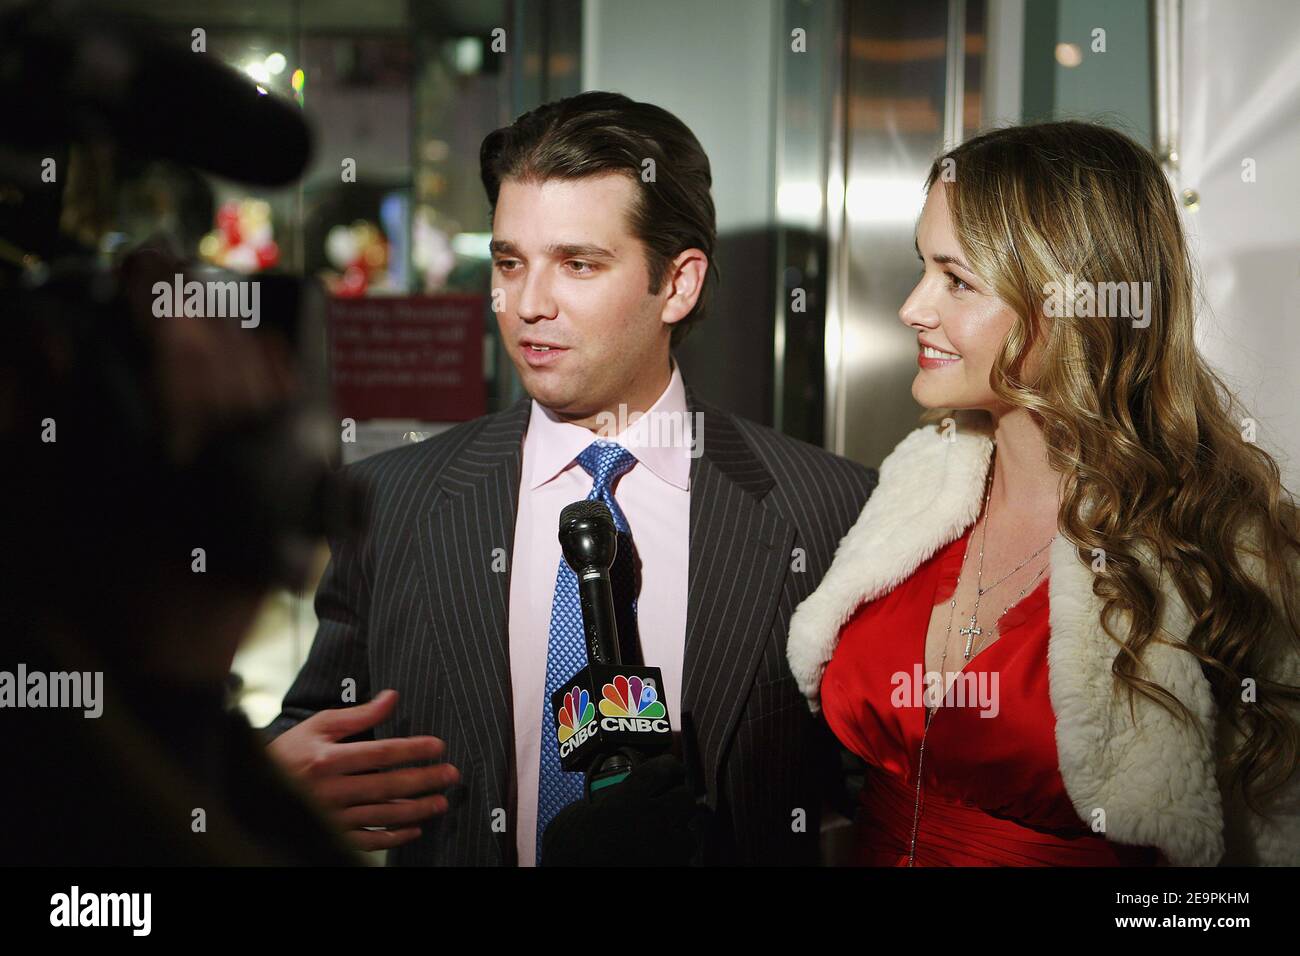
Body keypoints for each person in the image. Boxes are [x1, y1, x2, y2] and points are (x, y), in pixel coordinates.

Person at [265, 91, 877, 865]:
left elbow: (878, 800)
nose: (526, 305)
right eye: (509, 263)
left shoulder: (827, 510)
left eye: (578, 265)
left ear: (678, 284)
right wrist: (277, 783)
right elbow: (317, 735)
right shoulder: (394, 501)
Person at [787, 121, 1300, 866]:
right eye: (923, 268)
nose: (912, 307)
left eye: (956, 280)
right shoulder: (917, 483)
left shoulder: (1228, 540)